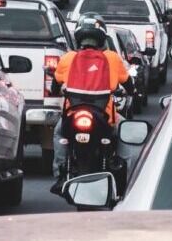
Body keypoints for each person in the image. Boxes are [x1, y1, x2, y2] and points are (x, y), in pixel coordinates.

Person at [50, 13, 135, 194]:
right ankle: (126, 175)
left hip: (72, 115)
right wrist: (131, 91)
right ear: (102, 38)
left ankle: (60, 174)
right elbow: (128, 83)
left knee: (59, 133)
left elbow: (55, 86)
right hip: (105, 116)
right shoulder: (112, 58)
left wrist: (57, 90)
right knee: (125, 132)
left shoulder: (68, 58)